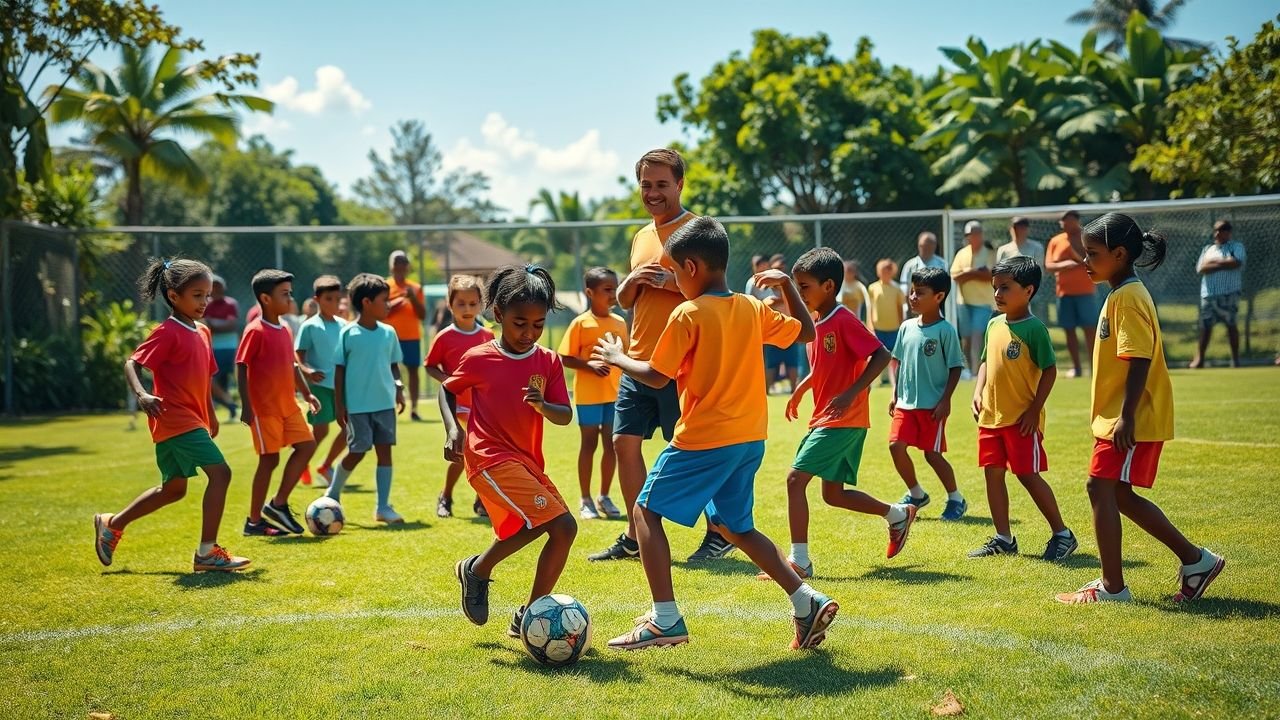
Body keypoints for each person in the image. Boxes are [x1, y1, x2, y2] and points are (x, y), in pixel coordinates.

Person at [593, 216, 838, 651]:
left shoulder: (687, 313)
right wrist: (787, 288)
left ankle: (665, 620)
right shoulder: (751, 306)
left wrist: (617, 356)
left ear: (690, 268)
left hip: (704, 437)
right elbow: (807, 331)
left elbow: (654, 375)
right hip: (749, 439)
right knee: (735, 526)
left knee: (645, 513)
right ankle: (806, 600)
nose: (672, 280)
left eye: (673, 271)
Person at [1057, 213, 1225, 604]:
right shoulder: (1121, 293)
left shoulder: (1129, 297)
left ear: (1118, 254)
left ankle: (1113, 588)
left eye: (1093, 253)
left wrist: (1126, 415)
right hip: (1123, 416)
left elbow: (1139, 358)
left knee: (1100, 487)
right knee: (1118, 494)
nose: (1085, 260)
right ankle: (1196, 561)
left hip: (1130, 417)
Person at [588, 148, 731, 563]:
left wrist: (672, 281)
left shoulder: (699, 231)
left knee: (691, 449)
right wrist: (631, 280)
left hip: (682, 364)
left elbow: (715, 292)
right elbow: (626, 300)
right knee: (623, 443)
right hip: (637, 359)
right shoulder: (641, 236)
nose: (653, 192)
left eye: (662, 184)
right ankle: (636, 535)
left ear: (680, 184)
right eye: (646, 185)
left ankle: (719, 532)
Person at [443, 265, 577, 638]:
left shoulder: (548, 361)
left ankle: (516, 606)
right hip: (488, 458)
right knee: (560, 524)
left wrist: (542, 406)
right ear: (499, 315)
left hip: (526, 463)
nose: (529, 332)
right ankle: (485, 576)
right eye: (520, 323)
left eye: (537, 324)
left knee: (563, 531)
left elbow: (565, 416)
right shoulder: (479, 357)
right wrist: (454, 429)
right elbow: (448, 389)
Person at [769, 247, 917, 581]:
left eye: (804, 287)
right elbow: (825, 365)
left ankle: (799, 562)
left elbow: (881, 355)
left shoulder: (843, 318)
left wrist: (852, 392)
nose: (800, 293)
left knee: (795, 480)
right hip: (829, 417)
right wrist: (803, 387)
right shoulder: (816, 322)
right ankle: (896, 514)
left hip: (842, 419)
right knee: (833, 495)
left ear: (829, 286)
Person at [93, 258, 250, 572]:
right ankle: (207, 553)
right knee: (221, 474)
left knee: (174, 490)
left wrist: (211, 415)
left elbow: (204, 377)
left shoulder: (203, 331)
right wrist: (142, 393)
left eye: (207, 295)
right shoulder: (166, 332)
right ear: (173, 296)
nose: (205, 302)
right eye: (197, 295)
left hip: (192, 419)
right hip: (173, 417)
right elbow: (132, 363)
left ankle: (112, 523)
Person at [969, 256, 1077, 561]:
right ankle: (1004, 538)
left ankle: (1062, 534)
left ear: (1028, 290)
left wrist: (1034, 410)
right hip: (990, 417)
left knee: (1027, 475)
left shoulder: (1034, 329)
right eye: (995, 288)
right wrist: (977, 393)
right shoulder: (993, 324)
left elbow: (1050, 370)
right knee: (992, 474)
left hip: (1020, 420)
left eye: (1005, 287)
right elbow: (986, 363)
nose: (997, 294)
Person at [236, 269, 320, 536]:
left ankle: (278, 504)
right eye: (284, 294)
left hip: (288, 406)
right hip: (265, 410)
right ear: (266, 298)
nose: (290, 299)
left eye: (290, 293)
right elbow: (241, 366)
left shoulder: (285, 329)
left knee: (307, 446)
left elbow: (292, 366)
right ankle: (253, 521)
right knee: (269, 460)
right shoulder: (255, 330)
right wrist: (247, 406)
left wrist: (306, 394)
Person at [324, 273, 407, 524]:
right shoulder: (348, 333)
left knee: (385, 453)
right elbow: (339, 370)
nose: (388, 304)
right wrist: (340, 405)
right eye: (384, 300)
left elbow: (394, 365)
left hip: (385, 404)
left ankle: (383, 506)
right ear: (367, 303)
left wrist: (399, 388)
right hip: (358, 407)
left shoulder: (389, 332)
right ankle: (333, 493)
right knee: (357, 451)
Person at [889, 267, 967, 520]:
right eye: (912, 291)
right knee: (895, 446)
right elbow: (897, 361)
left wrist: (946, 400)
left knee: (932, 455)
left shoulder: (946, 331)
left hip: (932, 405)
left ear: (939, 296)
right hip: (905, 403)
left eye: (920, 292)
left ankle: (956, 498)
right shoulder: (906, 327)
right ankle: (916, 493)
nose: (913, 297)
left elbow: (956, 366)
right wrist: (894, 392)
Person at [557, 267, 628, 520]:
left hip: (614, 395)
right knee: (589, 444)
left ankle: (604, 496)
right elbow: (564, 357)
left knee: (612, 445)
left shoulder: (620, 322)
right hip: (588, 396)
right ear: (590, 292)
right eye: (607, 289)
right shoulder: (581, 322)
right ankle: (585, 498)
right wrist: (589, 365)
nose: (613, 294)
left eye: (615, 288)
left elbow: (626, 357)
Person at [425, 275, 494, 518]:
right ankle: (446, 496)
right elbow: (430, 365)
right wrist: (450, 382)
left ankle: (481, 500)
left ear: (481, 304)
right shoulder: (444, 337)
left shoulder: (488, 336)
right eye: (461, 303)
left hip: (482, 407)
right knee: (462, 451)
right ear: (450, 304)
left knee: (484, 454)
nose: (467, 309)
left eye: (473, 303)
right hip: (457, 405)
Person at [294, 276, 347, 489]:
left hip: (341, 387)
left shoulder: (344, 325)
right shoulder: (309, 326)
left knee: (349, 429)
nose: (334, 303)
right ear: (317, 299)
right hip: (320, 387)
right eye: (328, 299)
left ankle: (325, 465)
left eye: (337, 298)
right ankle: (302, 460)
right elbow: (298, 354)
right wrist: (307, 371)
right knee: (321, 432)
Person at [1045, 210, 1097, 378]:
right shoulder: (1056, 241)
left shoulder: (1087, 238)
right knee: (1069, 330)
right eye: (1063, 222)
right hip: (1064, 294)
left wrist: (1077, 250)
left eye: (1069, 221)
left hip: (1086, 292)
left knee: (1090, 329)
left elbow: (1092, 259)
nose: (1066, 224)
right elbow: (1048, 266)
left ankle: (1094, 366)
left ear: (1077, 221)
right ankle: (1077, 368)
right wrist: (1064, 265)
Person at [1190, 219, 1246, 369]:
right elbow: (1201, 268)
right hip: (1208, 295)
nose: (1216, 233)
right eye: (1215, 230)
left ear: (1228, 232)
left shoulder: (1236, 247)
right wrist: (1222, 261)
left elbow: (1236, 262)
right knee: (1205, 327)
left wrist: (1214, 263)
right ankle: (1199, 359)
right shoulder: (1208, 249)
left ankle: (1235, 359)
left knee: (1231, 325)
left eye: (1220, 230)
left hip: (1229, 294)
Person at [386, 250, 427, 420]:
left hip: (411, 336)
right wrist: (401, 299)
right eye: (397, 262)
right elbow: (384, 310)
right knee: (389, 372)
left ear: (408, 267)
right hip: (390, 337)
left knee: (413, 371)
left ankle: (414, 408)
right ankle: (390, 406)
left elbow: (423, 315)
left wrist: (412, 298)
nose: (400, 266)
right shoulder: (385, 286)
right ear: (391, 266)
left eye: (404, 262)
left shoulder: (415, 288)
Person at [951, 220, 995, 376]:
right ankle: (969, 371)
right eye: (969, 234)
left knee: (977, 338)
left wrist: (969, 273)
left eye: (975, 234)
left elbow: (989, 276)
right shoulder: (961, 253)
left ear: (981, 235)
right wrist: (975, 272)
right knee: (966, 340)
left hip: (983, 303)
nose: (972, 237)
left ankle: (977, 372)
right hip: (963, 303)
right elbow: (956, 276)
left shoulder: (989, 253)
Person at [204, 274, 239, 420]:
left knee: (233, 379)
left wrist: (213, 323)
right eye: (213, 287)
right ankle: (230, 405)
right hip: (212, 349)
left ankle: (235, 406)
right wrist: (216, 324)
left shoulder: (230, 303)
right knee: (210, 381)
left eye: (219, 287)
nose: (216, 290)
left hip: (230, 349)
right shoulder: (205, 304)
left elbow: (230, 325)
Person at [867, 258, 905, 384]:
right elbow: (871, 307)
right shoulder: (873, 288)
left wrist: (901, 325)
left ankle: (895, 378)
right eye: (883, 270)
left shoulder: (897, 289)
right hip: (879, 327)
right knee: (879, 355)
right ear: (879, 272)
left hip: (893, 327)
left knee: (894, 355)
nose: (886, 273)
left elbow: (900, 308)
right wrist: (870, 324)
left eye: (888, 270)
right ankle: (882, 379)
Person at [897, 232, 948, 296]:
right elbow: (904, 286)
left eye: (927, 246)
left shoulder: (942, 264)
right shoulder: (910, 265)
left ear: (934, 246)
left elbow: (947, 286)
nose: (923, 248)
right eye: (921, 245)